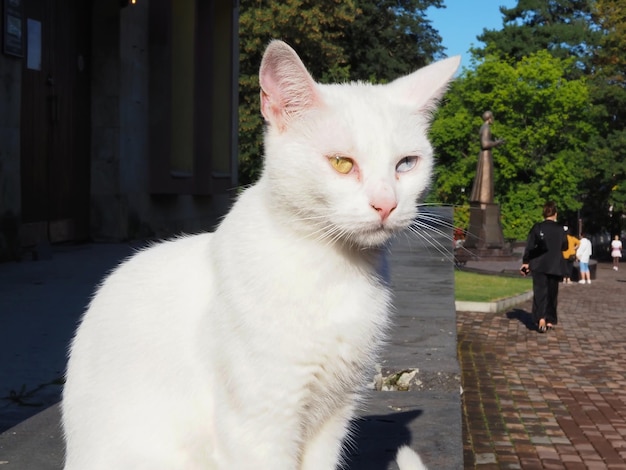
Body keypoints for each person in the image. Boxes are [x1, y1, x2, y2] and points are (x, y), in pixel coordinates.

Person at [520, 201, 568, 333]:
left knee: (540, 292)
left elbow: (530, 246)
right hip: (555, 265)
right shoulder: (560, 229)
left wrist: (526, 262)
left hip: (539, 264)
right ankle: (550, 319)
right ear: (555, 214)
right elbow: (565, 246)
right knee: (552, 293)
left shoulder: (537, 227)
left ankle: (540, 318)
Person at [469, 111, 505, 204]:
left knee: (483, 178)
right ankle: (484, 200)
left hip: (484, 155)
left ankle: (482, 199)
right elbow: (485, 144)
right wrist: (497, 143)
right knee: (485, 178)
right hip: (485, 156)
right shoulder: (486, 128)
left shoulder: (483, 127)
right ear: (490, 118)